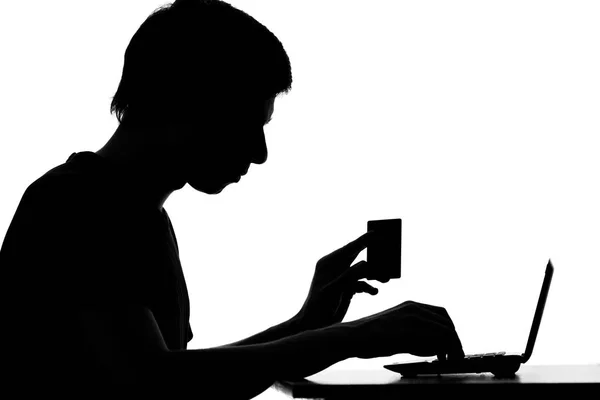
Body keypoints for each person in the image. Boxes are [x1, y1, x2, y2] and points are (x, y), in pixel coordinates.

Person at [0, 0, 463, 397]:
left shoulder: (129, 213)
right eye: (249, 123)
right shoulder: (73, 206)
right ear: (184, 101)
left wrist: (307, 325)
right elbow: (152, 385)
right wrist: (351, 337)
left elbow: (178, 375)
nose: (260, 154)